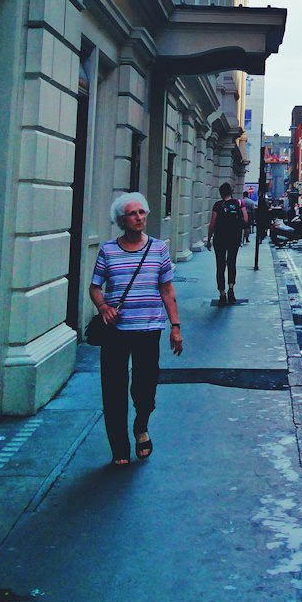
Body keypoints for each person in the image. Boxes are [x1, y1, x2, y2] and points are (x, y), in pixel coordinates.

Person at [89, 193, 182, 466]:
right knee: (113, 389)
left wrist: (175, 327)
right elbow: (95, 287)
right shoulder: (108, 250)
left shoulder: (158, 249)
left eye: (142, 212)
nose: (140, 217)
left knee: (145, 387)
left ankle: (141, 425)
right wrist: (103, 307)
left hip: (148, 329)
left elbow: (167, 289)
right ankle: (119, 448)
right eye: (133, 213)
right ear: (122, 220)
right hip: (116, 331)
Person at [208, 181, 246, 304]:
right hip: (234, 238)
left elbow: (212, 223)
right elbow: (245, 219)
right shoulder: (239, 203)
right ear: (231, 192)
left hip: (219, 238)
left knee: (220, 265)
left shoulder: (217, 205)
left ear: (221, 193)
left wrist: (209, 238)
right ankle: (231, 289)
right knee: (232, 262)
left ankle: (222, 294)